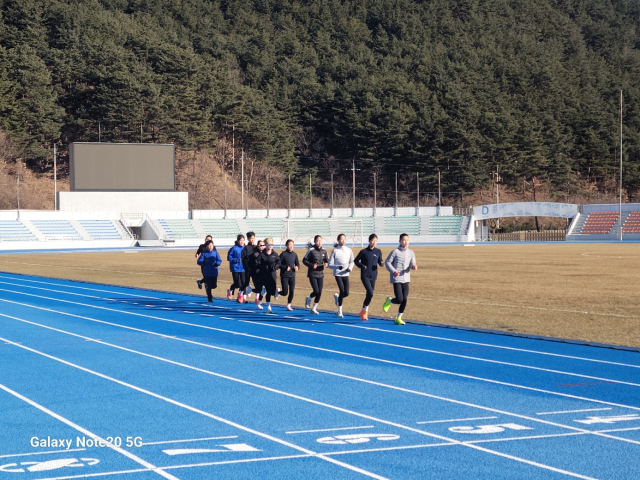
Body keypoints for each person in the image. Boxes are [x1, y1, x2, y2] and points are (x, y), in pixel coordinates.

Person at [383, 233, 418, 325]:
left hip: (406, 278)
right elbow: (387, 262)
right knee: (399, 299)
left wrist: (413, 266)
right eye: (404, 240)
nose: (406, 242)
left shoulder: (411, 253)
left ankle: (398, 318)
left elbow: (412, 263)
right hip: (397, 278)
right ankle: (389, 301)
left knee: (405, 299)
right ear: (399, 241)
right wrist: (393, 271)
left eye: (407, 240)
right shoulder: (395, 252)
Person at [354, 233, 384, 321]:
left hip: (373, 275)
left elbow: (380, 261)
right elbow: (356, 261)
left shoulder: (378, 251)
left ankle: (363, 312)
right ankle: (365, 311)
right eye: (372, 241)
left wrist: (381, 263)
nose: (374, 242)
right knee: (370, 292)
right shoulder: (363, 252)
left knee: (369, 295)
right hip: (365, 275)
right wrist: (362, 266)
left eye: (376, 241)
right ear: (369, 241)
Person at [328, 233, 354, 318]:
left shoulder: (349, 250)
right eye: (341, 239)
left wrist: (350, 268)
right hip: (338, 274)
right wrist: (337, 267)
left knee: (346, 292)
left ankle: (338, 299)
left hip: (346, 273)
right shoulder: (335, 251)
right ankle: (339, 311)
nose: (343, 241)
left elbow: (352, 261)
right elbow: (330, 264)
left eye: (344, 239)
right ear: (338, 240)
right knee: (342, 290)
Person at [302, 235, 329, 314]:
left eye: (320, 241)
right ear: (315, 242)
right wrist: (311, 265)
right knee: (316, 291)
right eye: (317, 241)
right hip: (312, 273)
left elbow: (326, 260)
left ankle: (314, 308)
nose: (319, 242)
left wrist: (327, 264)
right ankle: (309, 298)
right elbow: (304, 260)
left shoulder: (324, 251)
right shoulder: (311, 250)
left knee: (319, 292)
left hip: (321, 273)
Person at [255, 237, 281, 313]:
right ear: (266, 245)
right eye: (269, 244)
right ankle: (268, 306)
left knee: (272, 292)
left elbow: (279, 262)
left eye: (272, 244)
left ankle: (267, 291)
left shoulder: (275, 254)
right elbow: (257, 262)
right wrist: (262, 267)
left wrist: (276, 267)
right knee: (269, 292)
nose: (270, 246)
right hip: (264, 275)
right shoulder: (262, 254)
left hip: (272, 274)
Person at [279, 239, 299, 311]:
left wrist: (297, 267)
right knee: (285, 292)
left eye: (292, 245)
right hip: (284, 275)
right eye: (289, 245)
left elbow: (297, 264)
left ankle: (288, 305)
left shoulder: (294, 254)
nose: (291, 247)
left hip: (292, 275)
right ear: (286, 245)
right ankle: (277, 292)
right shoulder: (283, 254)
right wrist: (285, 267)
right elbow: (278, 264)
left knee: (292, 291)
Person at [227, 234, 246, 303]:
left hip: (243, 268)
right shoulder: (234, 248)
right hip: (235, 268)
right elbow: (229, 258)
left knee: (244, 283)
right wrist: (236, 260)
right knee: (237, 283)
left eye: (243, 240)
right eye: (240, 240)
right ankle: (230, 290)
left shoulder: (245, 248)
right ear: (238, 241)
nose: (242, 242)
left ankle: (241, 296)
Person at [241, 231, 257, 300]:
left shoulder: (257, 247)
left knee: (257, 284)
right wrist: (247, 267)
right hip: (248, 269)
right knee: (246, 283)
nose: (252, 240)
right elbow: (244, 259)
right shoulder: (246, 248)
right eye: (250, 238)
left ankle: (257, 299)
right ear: (248, 239)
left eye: (253, 238)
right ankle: (242, 295)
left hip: (255, 270)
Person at [250, 239, 266, 306]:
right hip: (256, 274)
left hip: (264, 273)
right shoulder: (255, 254)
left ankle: (259, 302)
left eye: (263, 245)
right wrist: (257, 268)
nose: (262, 247)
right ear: (258, 246)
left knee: (263, 289)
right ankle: (251, 290)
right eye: (260, 245)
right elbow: (253, 264)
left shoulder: (266, 253)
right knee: (259, 289)